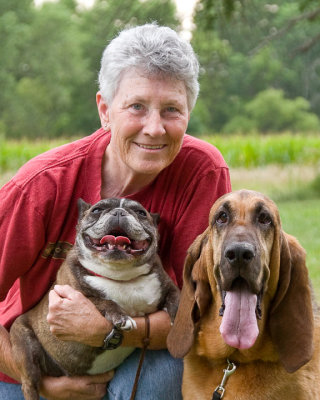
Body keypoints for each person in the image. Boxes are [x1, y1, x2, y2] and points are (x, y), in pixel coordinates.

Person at [0, 23, 231, 400]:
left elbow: (200, 307)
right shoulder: (41, 185)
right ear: (104, 109)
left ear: (189, 112)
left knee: (172, 372)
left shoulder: (202, 171)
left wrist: (107, 332)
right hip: (27, 360)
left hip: (136, 351)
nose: (155, 128)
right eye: (137, 106)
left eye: (172, 109)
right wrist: (40, 380)